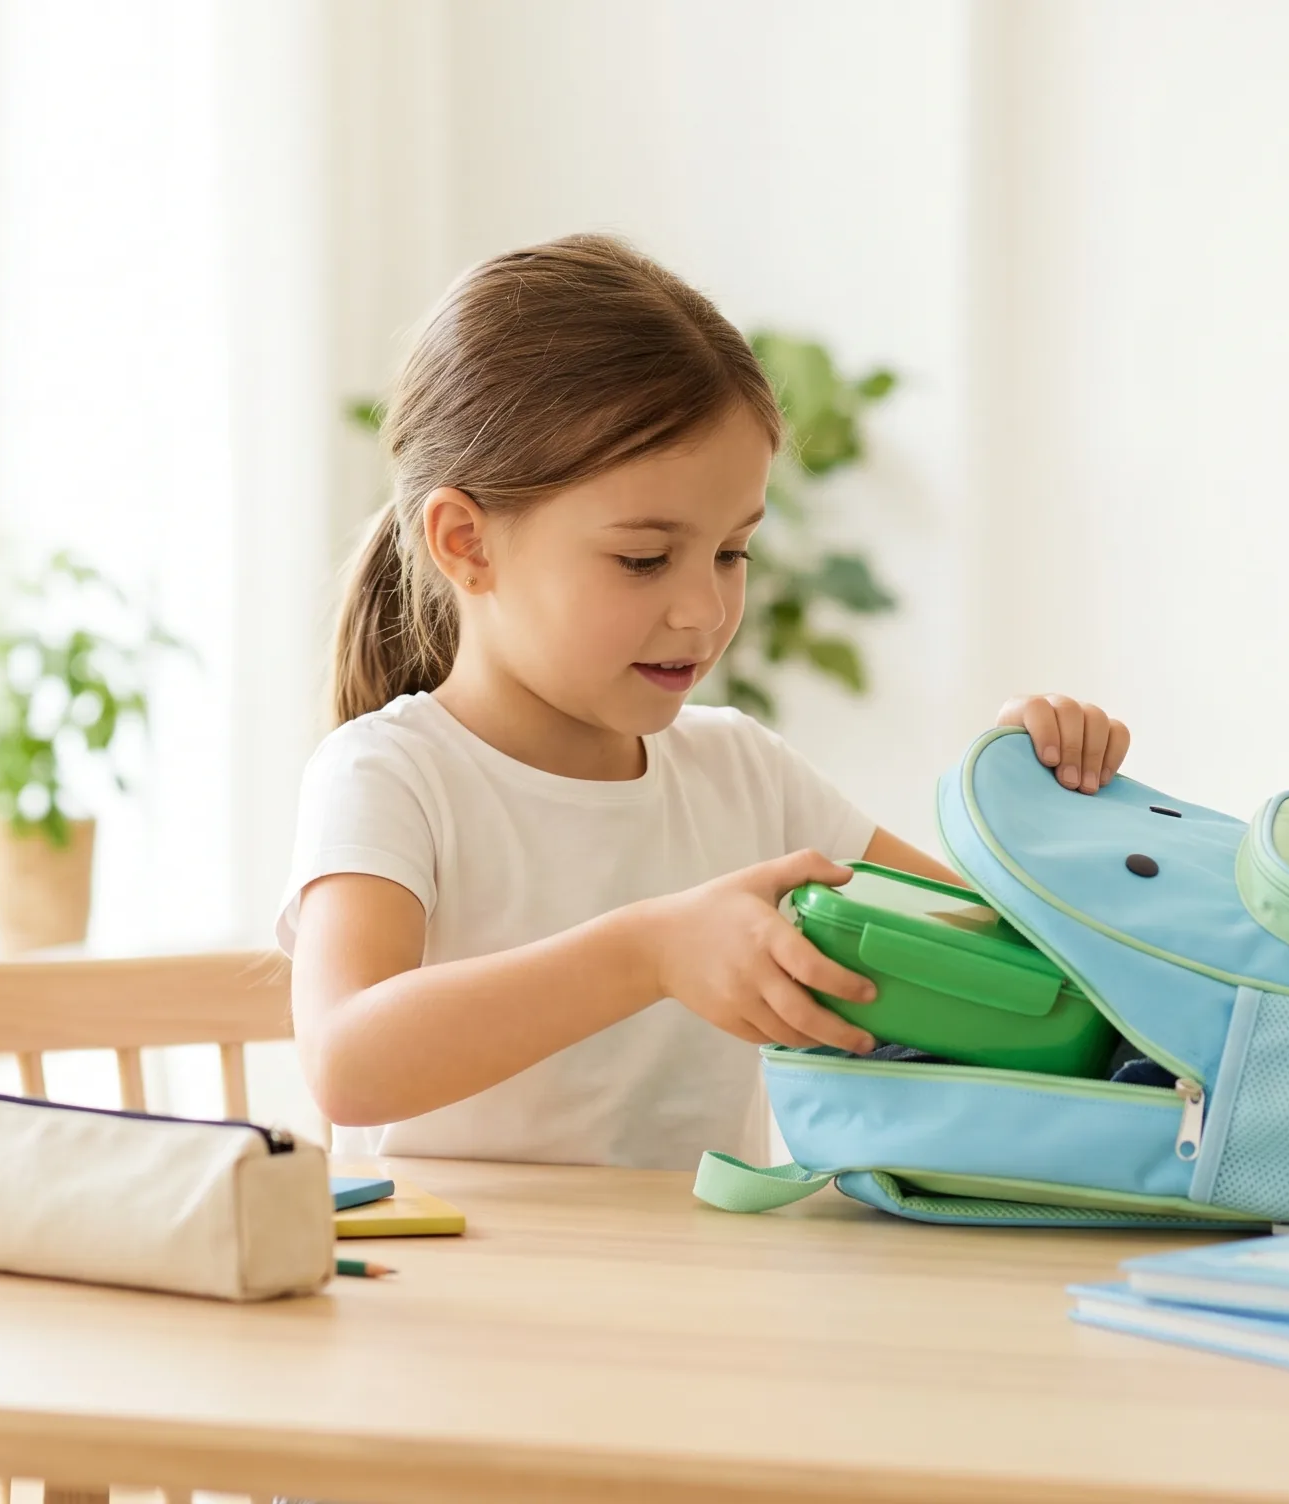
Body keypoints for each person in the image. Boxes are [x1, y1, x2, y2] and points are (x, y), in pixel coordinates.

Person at [278, 233, 1132, 1171]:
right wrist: (646, 953)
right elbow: (347, 1061)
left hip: (696, 1294)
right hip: (455, 1305)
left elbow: (1018, 969)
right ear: (466, 543)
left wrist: (1030, 816)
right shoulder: (392, 775)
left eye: (732, 552)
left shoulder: (745, 776)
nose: (706, 609)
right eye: (644, 559)